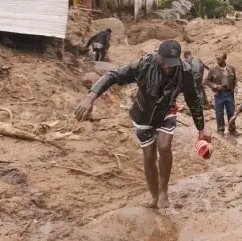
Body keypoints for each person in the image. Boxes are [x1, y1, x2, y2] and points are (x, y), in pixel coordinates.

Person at [73, 40, 206, 209]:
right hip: (143, 114)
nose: (168, 67)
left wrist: (201, 129)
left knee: (164, 147)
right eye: (164, 63)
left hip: (166, 111)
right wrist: (90, 98)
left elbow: (194, 100)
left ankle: (164, 191)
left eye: (172, 64)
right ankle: (155, 196)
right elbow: (113, 75)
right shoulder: (144, 64)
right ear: (158, 56)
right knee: (149, 156)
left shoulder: (184, 71)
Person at [205, 53, 238, 134]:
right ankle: (220, 129)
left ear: (224, 59)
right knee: (219, 112)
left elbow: (235, 79)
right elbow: (206, 81)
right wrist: (216, 86)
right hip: (218, 94)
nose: (217, 60)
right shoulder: (213, 69)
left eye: (219, 58)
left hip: (229, 93)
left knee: (231, 111)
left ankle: (232, 129)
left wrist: (236, 87)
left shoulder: (231, 68)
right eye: (216, 58)